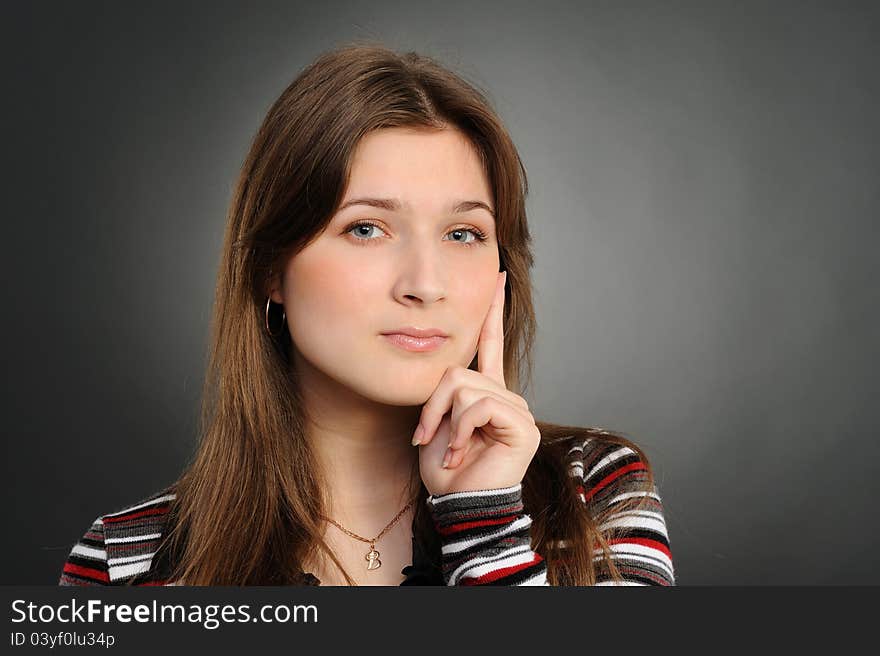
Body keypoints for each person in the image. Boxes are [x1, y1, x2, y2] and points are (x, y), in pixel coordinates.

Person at [59, 42, 674, 587]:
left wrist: (485, 518)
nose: (425, 285)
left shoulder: (595, 494)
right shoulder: (125, 564)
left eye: (463, 234)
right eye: (366, 228)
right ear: (273, 267)